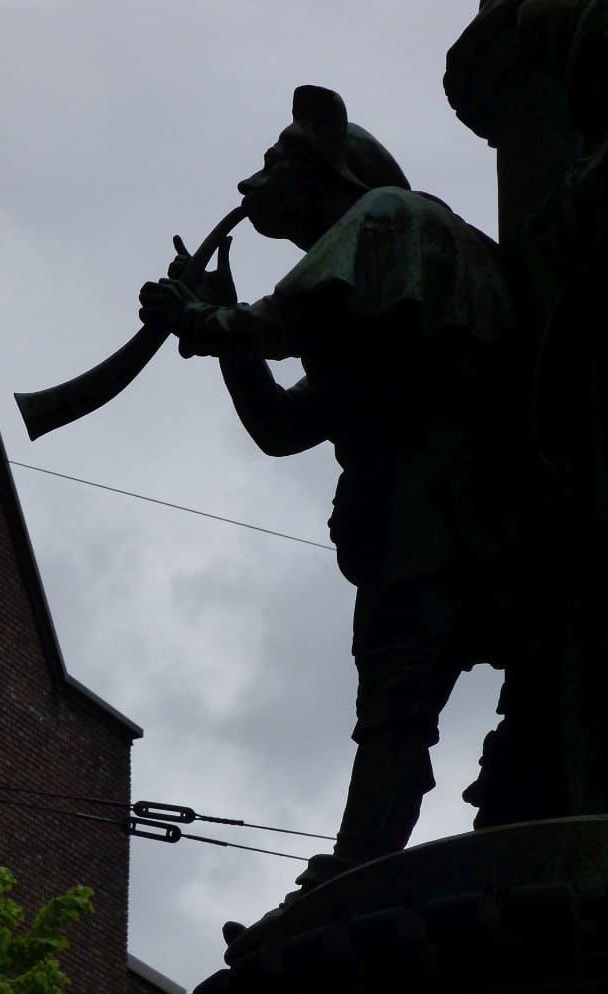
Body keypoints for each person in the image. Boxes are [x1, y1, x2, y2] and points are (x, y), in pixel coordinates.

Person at [138, 86, 522, 890]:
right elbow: (281, 426)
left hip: (448, 516)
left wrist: (206, 323)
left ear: (325, 167)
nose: (249, 184)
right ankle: (366, 864)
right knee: (395, 705)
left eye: (273, 161)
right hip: (420, 525)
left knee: (395, 704)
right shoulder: (366, 309)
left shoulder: (390, 217)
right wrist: (219, 327)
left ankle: (359, 865)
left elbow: (284, 320)